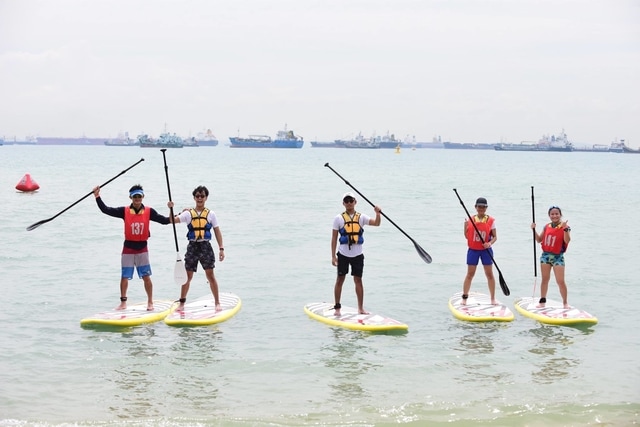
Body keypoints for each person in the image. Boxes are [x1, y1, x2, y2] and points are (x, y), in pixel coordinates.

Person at [93, 184, 172, 311]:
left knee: (146, 277)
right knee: (125, 276)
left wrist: (172, 210)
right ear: (130, 197)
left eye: (139, 196)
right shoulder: (124, 211)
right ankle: (123, 302)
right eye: (135, 196)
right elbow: (106, 210)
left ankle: (150, 302)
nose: (137, 199)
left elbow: (165, 221)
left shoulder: (148, 211)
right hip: (128, 249)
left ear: (143, 197)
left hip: (142, 249)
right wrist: (97, 196)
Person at [170, 185, 225, 312]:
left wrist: (221, 248)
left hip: (205, 246)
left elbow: (217, 231)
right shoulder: (188, 213)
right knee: (187, 277)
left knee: (210, 276)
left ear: (206, 198)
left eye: (202, 196)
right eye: (197, 196)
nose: (200, 198)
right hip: (193, 247)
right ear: (194, 198)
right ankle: (182, 303)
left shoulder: (211, 214)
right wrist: (171, 209)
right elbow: (172, 220)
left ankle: (217, 302)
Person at [330, 191, 381, 316]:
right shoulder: (338, 218)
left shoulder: (361, 217)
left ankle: (360, 308)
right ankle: (337, 307)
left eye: (351, 200)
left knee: (358, 280)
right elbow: (334, 238)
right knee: (340, 279)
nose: (349, 203)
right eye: (346, 201)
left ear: (355, 202)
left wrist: (377, 213)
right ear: (343, 203)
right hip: (342, 254)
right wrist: (333, 256)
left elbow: (376, 223)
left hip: (358, 255)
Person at [531, 205, 571, 308]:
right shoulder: (546, 226)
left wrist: (565, 229)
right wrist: (533, 230)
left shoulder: (564, 226)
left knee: (560, 281)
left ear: (560, 215)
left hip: (558, 257)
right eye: (552, 214)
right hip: (545, 256)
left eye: (556, 214)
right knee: (545, 279)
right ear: (549, 215)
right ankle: (542, 301)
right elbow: (539, 240)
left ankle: (565, 302)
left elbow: (567, 241)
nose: (554, 216)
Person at [461, 197, 497, 305]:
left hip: (486, 251)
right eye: (479, 206)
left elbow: (495, 237)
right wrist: (465, 226)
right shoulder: (470, 220)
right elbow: (467, 236)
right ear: (475, 207)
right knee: (470, 274)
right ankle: (465, 297)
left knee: (489, 274)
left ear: (486, 208)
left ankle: (492, 298)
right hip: (473, 250)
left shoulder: (491, 221)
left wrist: (489, 243)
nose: (481, 208)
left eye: (483, 207)